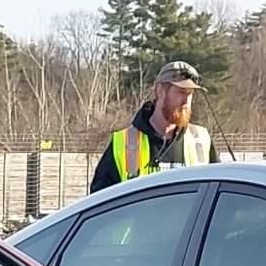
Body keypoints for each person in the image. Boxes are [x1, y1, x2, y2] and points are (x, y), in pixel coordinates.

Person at [90, 60, 215, 192]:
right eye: (181, 92)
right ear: (160, 91)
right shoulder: (123, 143)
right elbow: (100, 201)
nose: (186, 101)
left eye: (190, 94)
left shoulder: (201, 140)